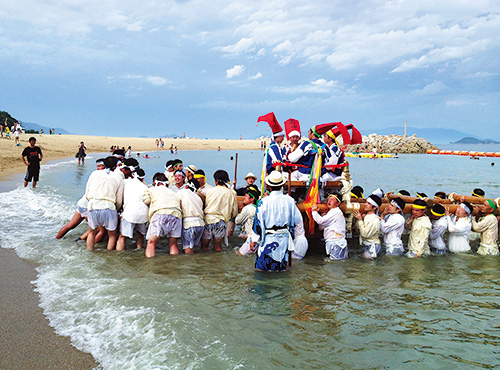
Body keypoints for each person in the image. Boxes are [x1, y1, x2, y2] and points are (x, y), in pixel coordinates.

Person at [251, 171, 301, 271]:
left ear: (268, 186)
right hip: (284, 238)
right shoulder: (290, 200)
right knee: (280, 269)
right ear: (282, 185)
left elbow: (258, 223)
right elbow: (295, 221)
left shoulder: (263, 202)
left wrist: (254, 240)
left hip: (269, 238)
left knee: (262, 270)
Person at [84, 156, 124, 251]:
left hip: (93, 205)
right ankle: (108, 255)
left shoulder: (94, 173)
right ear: (116, 167)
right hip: (108, 206)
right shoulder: (118, 177)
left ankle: (89, 252)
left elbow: (87, 193)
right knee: (112, 235)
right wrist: (117, 210)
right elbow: (119, 200)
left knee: (91, 233)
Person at [142, 173, 182, 257]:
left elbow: (146, 200)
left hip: (160, 213)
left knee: (151, 243)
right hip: (176, 215)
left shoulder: (152, 189)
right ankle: (174, 265)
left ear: (156, 183)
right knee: (173, 243)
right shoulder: (173, 192)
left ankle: (150, 266)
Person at [201, 170, 238, 252]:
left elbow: (206, 205)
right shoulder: (231, 193)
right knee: (218, 248)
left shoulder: (210, 191)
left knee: (204, 247)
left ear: (216, 181)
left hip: (208, 220)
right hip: (221, 222)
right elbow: (234, 211)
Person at [116, 167, 149, 251]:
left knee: (122, 236)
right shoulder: (145, 187)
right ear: (143, 178)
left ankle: (119, 255)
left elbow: (119, 197)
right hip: (143, 213)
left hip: (129, 213)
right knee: (140, 234)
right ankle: (139, 249)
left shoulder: (125, 182)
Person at [311, 191, 347, 260]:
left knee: (334, 264)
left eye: (332, 200)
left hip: (337, 242)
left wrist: (314, 211)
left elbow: (320, 221)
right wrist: (322, 216)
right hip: (332, 242)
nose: (329, 201)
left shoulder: (335, 211)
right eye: (329, 199)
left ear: (338, 203)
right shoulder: (331, 212)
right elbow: (321, 227)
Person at [178, 179, 205, 254]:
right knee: (194, 247)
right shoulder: (198, 197)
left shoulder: (182, 192)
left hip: (189, 224)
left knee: (188, 249)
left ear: (186, 186)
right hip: (200, 224)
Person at [353, 194, 382, 259]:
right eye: (366, 202)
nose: (365, 204)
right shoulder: (366, 216)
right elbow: (357, 229)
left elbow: (365, 234)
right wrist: (361, 219)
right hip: (366, 244)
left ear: (374, 208)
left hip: (372, 245)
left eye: (369, 203)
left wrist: (360, 220)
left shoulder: (375, 220)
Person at [235, 187, 259, 255]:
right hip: (258, 237)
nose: (244, 198)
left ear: (252, 199)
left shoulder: (248, 208)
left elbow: (237, 221)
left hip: (252, 238)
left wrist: (240, 211)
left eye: (246, 196)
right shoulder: (257, 208)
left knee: (239, 255)